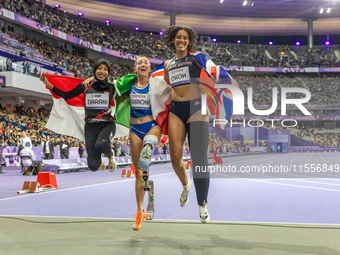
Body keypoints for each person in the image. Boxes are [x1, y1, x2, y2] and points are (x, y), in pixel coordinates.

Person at [83, 56, 171, 230]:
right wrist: (94, 78)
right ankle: (140, 211)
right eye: (140, 63)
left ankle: (149, 149)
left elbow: (172, 90)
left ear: (149, 67)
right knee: (138, 171)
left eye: (146, 62)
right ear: (135, 68)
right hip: (135, 129)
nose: (143, 64)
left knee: (144, 159)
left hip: (152, 126)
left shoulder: (157, 84)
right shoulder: (128, 84)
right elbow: (107, 85)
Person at [162, 26, 235, 223]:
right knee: (175, 157)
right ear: (174, 40)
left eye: (185, 38)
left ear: (189, 41)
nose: (181, 40)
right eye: (178, 37)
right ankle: (186, 184)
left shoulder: (198, 57)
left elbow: (214, 71)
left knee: (199, 160)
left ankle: (202, 204)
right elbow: (166, 84)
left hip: (197, 108)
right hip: (176, 110)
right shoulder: (168, 64)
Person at [40, 58, 118, 172]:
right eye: (99, 68)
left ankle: (110, 155)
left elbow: (126, 85)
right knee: (93, 166)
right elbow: (67, 95)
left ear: (109, 72)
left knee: (101, 144)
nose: (102, 71)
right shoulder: (86, 85)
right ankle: (98, 157)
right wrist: (48, 84)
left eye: (105, 69)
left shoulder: (112, 87)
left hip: (107, 124)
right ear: (95, 70)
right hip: (90, 127)